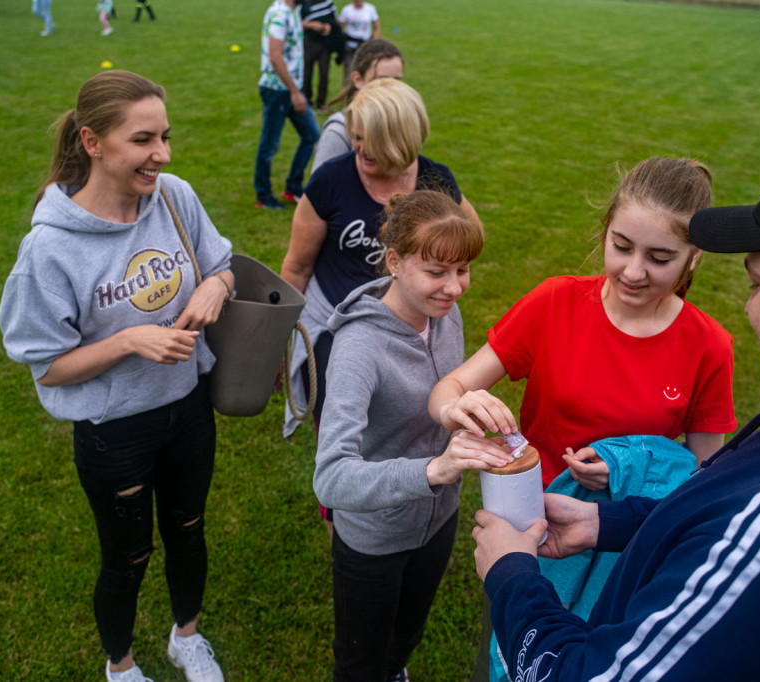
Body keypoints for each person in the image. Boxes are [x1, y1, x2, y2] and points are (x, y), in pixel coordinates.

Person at [472, 138, 760, 681]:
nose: (748, 308)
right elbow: (716, 497)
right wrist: (607, 521)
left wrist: (513, 578)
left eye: (757, 283)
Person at [0, 70, 231, 682]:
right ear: (92, 142)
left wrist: (215, 285)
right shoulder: (50, 248)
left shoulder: (174, 197)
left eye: (165, 137)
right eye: (143, 140)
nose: (163, 155)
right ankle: (121, 667)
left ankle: (186, 638)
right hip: (114, 431)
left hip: (188, 407)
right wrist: (129, 341)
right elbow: (47, 366)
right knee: (127, 557)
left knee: (188, 531)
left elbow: (223, 264)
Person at [429, 157, 736, 490]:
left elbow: (705, 474)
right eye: (622, 246)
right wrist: (453, 408)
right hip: (533, 506)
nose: (633, 272)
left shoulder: (709, 345)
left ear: (694, 256)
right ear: (605, 232)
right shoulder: (554, 302)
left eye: (658, 258)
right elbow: (451, 387)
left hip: (634, 520)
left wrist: (630, 472)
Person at [313, 189, 506, 682]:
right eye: (437, 271)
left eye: (462, 269)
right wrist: (434, 470)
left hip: (438, 522)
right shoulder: (358, 349)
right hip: (373, 541)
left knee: (404, 638)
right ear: (395, 262)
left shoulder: (444, 314)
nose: (454, 288)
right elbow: (330, 478)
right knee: (360, 663)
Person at [280, 78, 479, 533]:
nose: (358, 148)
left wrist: (441, 274)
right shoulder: (331, 180)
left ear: (402, 139)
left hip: (410, 321)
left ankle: (415, 507)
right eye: (355, 136)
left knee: (412, 417)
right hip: (336, 325)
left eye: (371, 139)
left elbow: (470, 236)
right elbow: (296, 265)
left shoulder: (435, 180)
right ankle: (344, 523)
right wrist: (280, 339)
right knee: (343, 430)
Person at [254, 0, 320, 209]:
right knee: (269, 145)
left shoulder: (294, 10)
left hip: (291, 88)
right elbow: (275, 56)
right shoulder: (279, 15)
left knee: (312, 135)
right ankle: (263, 196)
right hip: (278, 90)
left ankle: (293, 186)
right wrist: (295, 92)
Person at [311, 37, 403, 174]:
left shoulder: (402, 122)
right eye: (381, 81)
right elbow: (320, 185)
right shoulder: (339, 131)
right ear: (358, 80)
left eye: (397, 81)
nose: (391, 89)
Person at [300, 0, 341, 112]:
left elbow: (335, 20)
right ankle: (307, 100)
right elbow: (298, 22)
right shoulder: (304, 3)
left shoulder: (328, 2)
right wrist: (312, 25)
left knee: (324, 73)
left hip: (325, 44)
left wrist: (329, 27)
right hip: (309, 42)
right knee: (307, 73)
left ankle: (321, 103)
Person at [337, 0, 378, 84]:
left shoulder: (370, 9)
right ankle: (347, 90)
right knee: (348, 72)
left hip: (365, 46)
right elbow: (339, 28)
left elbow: (376, 29)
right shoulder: (347, 10)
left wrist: (373, 43)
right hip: (350, 46)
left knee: (366, 71)